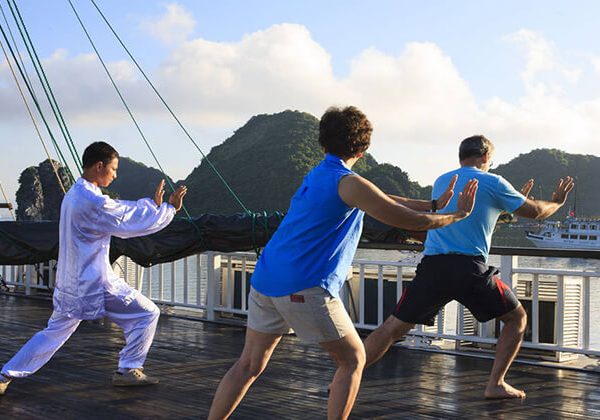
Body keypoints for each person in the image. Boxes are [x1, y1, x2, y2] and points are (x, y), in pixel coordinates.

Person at [208, 106, 478, 420]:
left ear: (324, 143)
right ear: (363, 149)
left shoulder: (320, 173)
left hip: (266, 280)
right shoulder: (347, 183)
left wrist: (433, 203)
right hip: (304, 286)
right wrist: (457, 215)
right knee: (353, 360)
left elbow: (381, 197)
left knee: (248, 365)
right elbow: (404, 217)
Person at [364, 134, 574, 400]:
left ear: (461, 156)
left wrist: (507, 205)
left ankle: (347, 375)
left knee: (391, 328)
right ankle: (495, 383)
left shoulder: (443, 180)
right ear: (486, 156)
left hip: (434, 267)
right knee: (517, 318)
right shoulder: (493, 181)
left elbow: (473, 220)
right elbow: (534, 211)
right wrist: (556, 202)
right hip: (469, 269)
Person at [0, 141, 187, 395]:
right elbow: (126, 219)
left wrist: (152, 207)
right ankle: (128, 369)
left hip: (70, 282)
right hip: (94, 282)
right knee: (147, 314)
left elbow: (121, 210)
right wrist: (167, 210)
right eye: (113, 168)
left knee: (53, 333)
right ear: (99, 166)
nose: (115, 174)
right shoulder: (91, 201)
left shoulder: (76, 194)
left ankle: (5, 374)